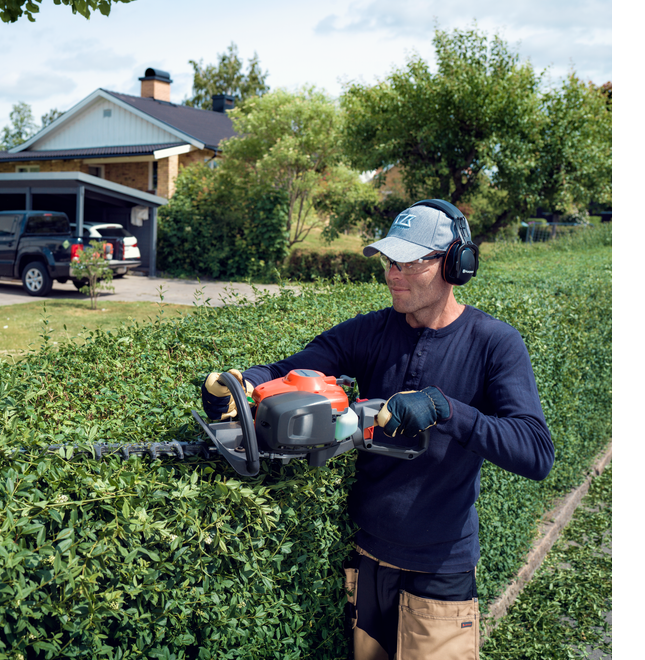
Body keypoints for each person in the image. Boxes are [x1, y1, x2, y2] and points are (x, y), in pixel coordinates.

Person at [200, 199, 554, 660]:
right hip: (368, 559)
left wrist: (446, 409)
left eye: (409, 262)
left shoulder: (494, 343)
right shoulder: (370, 332)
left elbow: (536, 452)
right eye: (389, 261)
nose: (392, 274)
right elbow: (290, 370)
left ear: (455, 264)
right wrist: (241, 385)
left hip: (440, 569)